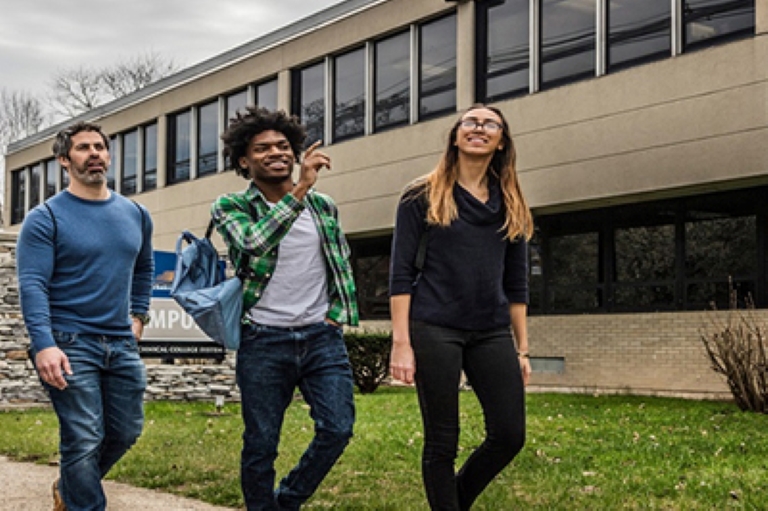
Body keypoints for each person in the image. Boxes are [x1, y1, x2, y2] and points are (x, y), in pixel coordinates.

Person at [211, 106, 358, 510]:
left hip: (320, 337)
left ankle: (286, 502)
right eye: (262, 148)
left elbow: (339, 261)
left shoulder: (323, 206)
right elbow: (256, 242)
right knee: (260, 444)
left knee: (337, 429)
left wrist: (338, 313)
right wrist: (300, 189)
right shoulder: (230, 206)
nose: (275, 152)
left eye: (282, 145)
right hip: (263, 340)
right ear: (244, 160)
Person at [388, 104, 534, 510]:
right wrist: (401, 342)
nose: (479, 128)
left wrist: (521, 348)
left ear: (501, 140)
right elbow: (400, 275)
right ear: (456, 135)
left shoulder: (511, 202)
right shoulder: (421, 195)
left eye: (490, 124)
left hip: (490, 331)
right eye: (470, 121)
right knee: (442, 440)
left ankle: (452, 503)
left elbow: (517, 283)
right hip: (434, 326)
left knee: (509, 435)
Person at [17, 121, 154, 511]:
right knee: (83, 435)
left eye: (100, 147)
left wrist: (138, 315)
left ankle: (69, 488)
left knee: (126, 430)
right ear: (64, 159)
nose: (94, 153)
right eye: (82, 148)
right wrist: (44, 344)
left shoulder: (136, 214)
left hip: (121, 342)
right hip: (69, 342)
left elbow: (143, 269)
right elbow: (32, 285)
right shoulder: (45, 218)